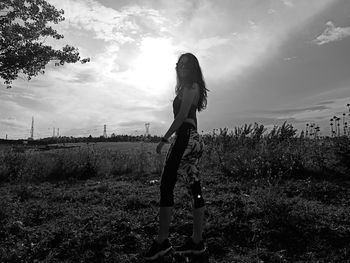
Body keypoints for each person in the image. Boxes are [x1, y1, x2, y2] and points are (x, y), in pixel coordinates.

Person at [143, 53, 209, 260]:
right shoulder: (192, 87)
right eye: (179, 65)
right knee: (195, 188)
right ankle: (197, 242)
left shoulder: (190, 87)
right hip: (195, 140)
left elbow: (181, 117)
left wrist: (164, 139)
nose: (182, 68)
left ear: (194, 68)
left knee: (166, 185)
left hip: (185, 139)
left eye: (187, 65)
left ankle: (162, 242)